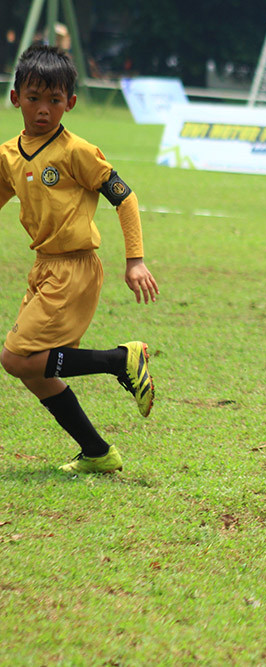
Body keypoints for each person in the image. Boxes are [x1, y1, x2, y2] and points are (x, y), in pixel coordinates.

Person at [0, 45, 158, 473]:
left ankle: (119, 359)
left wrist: (135, 260)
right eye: (34, 98)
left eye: (54, 100)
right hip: (43, 267)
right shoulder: (9, 154)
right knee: (35, 373)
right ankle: (97, 452)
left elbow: (125, 200)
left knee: (14, 359)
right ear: (15, 98)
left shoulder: (77, 152)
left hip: (75, 269)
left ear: (70, 102)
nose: (43, 110)